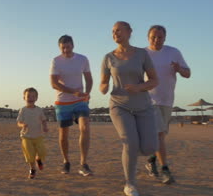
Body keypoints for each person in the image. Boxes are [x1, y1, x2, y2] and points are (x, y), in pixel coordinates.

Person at [100, 21, 159, 196]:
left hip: (143, 105)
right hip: (119, 105)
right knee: (131, 143)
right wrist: (102, 87)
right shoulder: (108, 57)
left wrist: (139, 87)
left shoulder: (142, 54)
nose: (115, 33)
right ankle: (130, 184)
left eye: (118, 30)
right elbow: (103, 82)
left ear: (129, 32)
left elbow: (154, 80)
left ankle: (134, 154)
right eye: (112, 31)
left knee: (149, 147)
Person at [144, 25, 191, 184]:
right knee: (158, 135)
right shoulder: (142, 54)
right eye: (153, 37)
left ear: (165, 38)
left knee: (161, 135)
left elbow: (188, 73)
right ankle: (165, 170)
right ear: (148, 37)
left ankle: (151, 161)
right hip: (149, 100)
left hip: (167, 100)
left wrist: (179, 69)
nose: (156, 40)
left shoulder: (174, 52)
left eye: (160, 37)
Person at [50, 35, 94, 176]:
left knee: (85, 128)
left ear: (73, 45)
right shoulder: (56, 61)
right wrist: (73, 91)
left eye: (68, 46)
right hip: (62, 102)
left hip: (80, 101)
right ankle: (66, 162)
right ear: (59, 47)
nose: (65, 50)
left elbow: (88, 78)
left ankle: (84, 164)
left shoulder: (82, 59)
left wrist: (86, 93)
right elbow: (54, 83)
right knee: (64, 134)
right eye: (63, 47)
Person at [17, 87, 48, 179]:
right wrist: (22, 125)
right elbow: (18, 122)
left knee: (42, 152)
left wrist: (45, 127)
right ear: (24, 98)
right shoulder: (23, 110)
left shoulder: (39, 110)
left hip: (38, 135)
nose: (31, 98)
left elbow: (44, 120)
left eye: (33, 96)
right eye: (28, 96)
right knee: (30, 155)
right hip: (26, 136)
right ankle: (32, 169)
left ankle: (38, 159)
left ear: (36, 98)